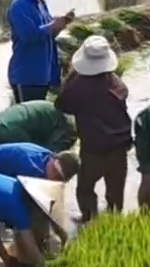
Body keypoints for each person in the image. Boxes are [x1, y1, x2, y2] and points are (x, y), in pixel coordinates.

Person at [56, 35, 132, 222]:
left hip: (93, 146)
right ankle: (114, 223)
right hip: (120, 145)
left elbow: (63, 105)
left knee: (85, 187)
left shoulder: (79, 85)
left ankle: (89, 220)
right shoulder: (115, 80)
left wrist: (70, 77)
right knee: (115, 192)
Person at [6, 0, 75, 104]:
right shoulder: (19, 6)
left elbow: (47, 36)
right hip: (27, 77)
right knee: (29, 121)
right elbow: (29, 36)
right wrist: (52, 25)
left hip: (42, 75)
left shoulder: (40, 3)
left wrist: (60, 25)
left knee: (37, 121)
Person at [0, 99, 77, 155]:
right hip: (47, 121)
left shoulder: (10, 133)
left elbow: (29, 152)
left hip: (62, 126)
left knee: (46, 160)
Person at [0, 141, 80, 185]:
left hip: (1, 168)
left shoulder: (46, 156)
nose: (53, 177)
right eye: (54, 171)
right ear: (54, 159)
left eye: (59, 177)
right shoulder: (30, 169)